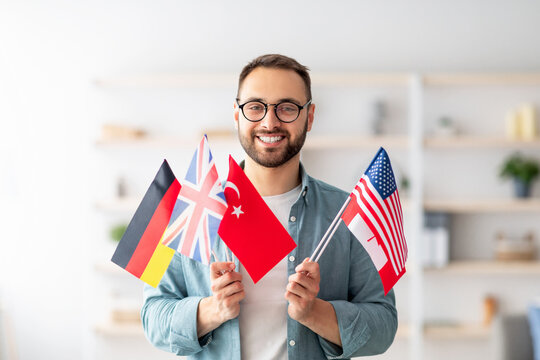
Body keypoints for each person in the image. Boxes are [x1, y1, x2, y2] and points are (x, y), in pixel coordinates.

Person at [141, 54, 398, 360]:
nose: (269, 121)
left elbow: (384, 325)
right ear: (237, 114)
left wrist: (315, 312)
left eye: (287, 108)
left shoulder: (349, 214)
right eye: (255, 107)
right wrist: (212, 309)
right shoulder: (185, 206)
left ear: (310, 116)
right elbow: (151, 317)